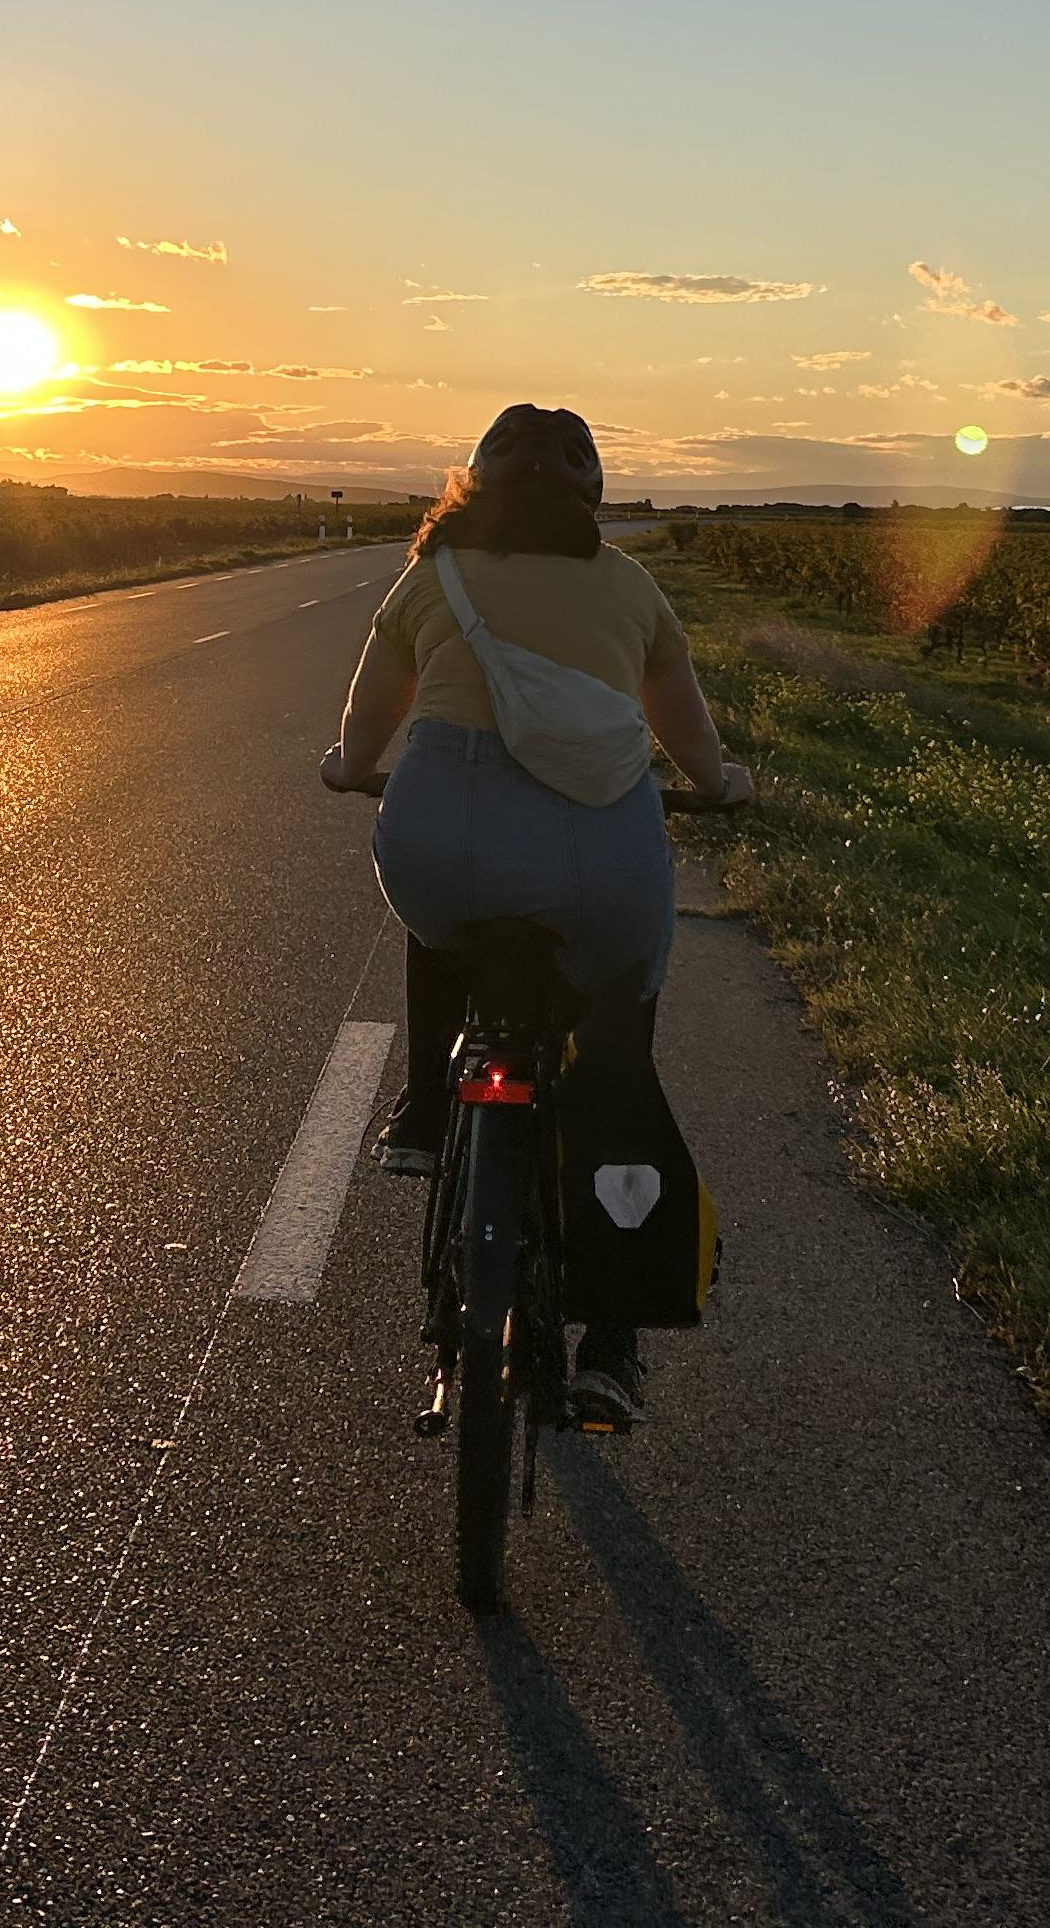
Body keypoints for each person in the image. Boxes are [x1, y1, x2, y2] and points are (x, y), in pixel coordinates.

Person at [318, 402, 750, 1428]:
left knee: (443, 929)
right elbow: (683, 728)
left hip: (440, 844)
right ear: (591, 496)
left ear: (475, 485)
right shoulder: (631, 588)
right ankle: (611, 1341)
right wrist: (721, 782)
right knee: (614, 1055)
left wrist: (351, 768)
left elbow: (367, 716)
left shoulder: (433, 576)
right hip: (600, 858)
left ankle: (427, 1108)